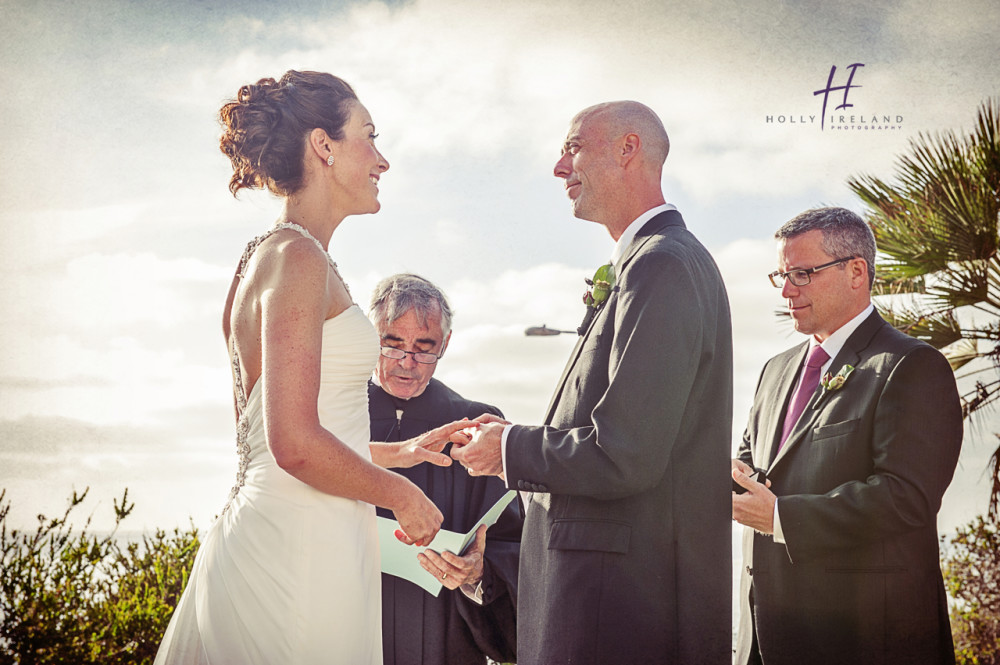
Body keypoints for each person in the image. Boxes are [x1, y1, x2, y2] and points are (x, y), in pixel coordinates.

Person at [155, 70, 466, 665]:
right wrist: (400, 493)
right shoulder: (296, 257)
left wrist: (396, 454)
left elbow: (286, 435)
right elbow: (293, 444)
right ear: (324, 146)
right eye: (369, 137)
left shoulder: (276, 253)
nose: (383, 160)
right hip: (293, 547)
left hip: (299, 528)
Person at [451, 101, 734, 664]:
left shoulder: (663, 266)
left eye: (574, 146)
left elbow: (624, 453)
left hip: (620, 615)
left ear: (629, 149)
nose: (560, 166)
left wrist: (507, 448)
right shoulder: (651, 263)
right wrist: (513, 434)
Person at [732, 207, 963, 665]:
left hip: (863, 642)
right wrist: (729, 477)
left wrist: (781, 517)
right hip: (767, 635)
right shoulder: (774, 370)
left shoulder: (911, 366)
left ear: (856, 271)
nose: (786, 290)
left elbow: (905, 498)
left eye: (802, 273)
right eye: (781, 274)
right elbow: (753, 461)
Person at [366, 273, 520, 665]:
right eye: (393, 344)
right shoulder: (333, 419)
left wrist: (478, 571)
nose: (408, 363)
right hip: (344, 619)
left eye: (424, 348)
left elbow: (513, 545)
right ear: (372, 337)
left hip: (442, 638)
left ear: (446, 344)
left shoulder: (473, 427)